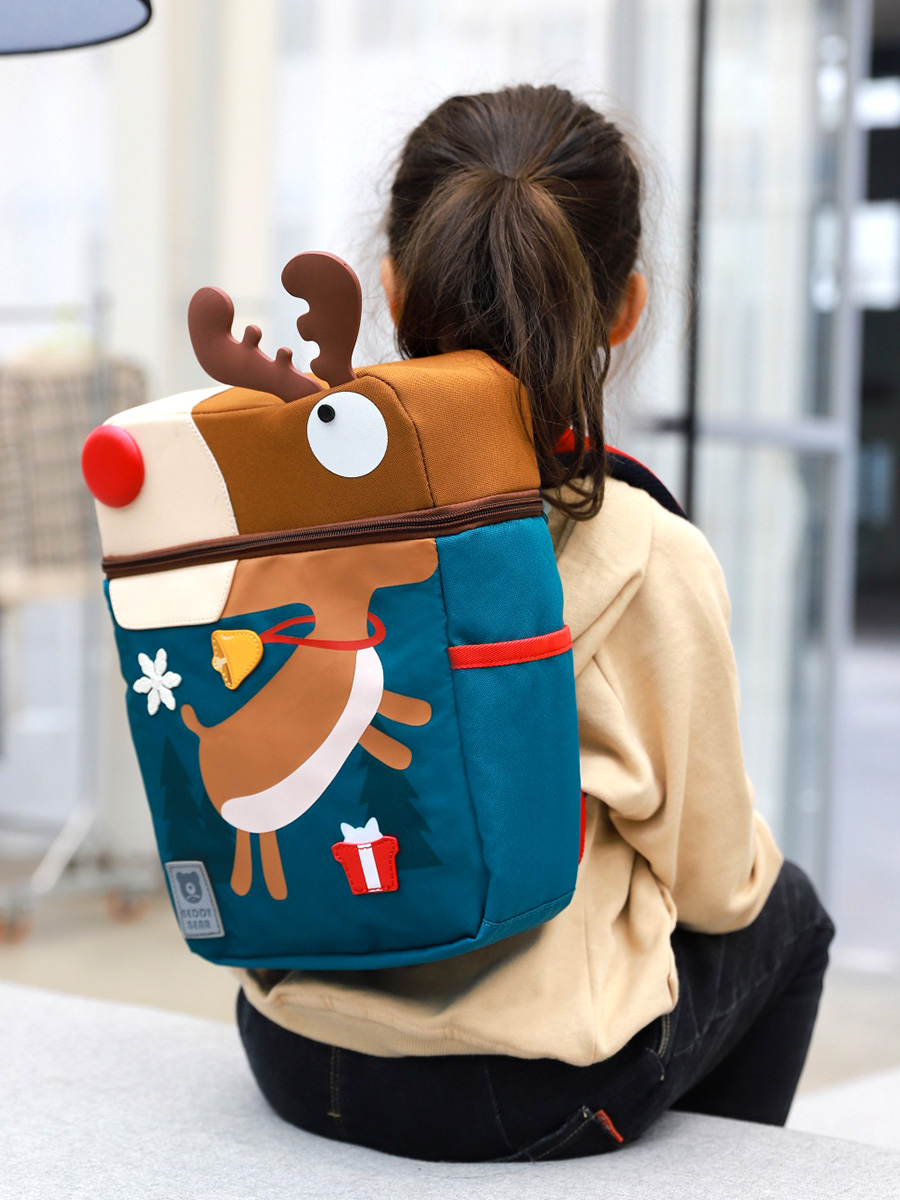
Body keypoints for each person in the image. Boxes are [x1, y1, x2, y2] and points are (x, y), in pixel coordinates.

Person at [235, 83, 835, 1162]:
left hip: (287, 1039)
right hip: (511, 1090)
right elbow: (718, 889)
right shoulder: (643, 550)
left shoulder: (300, 509)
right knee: (788, 912)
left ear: (390, 288)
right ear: (626, 308)